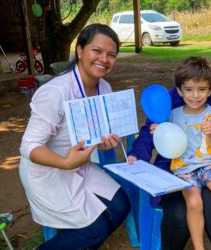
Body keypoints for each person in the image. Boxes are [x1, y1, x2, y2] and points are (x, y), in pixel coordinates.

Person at [128, 43, 211, 250]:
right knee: (178, 215)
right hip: (179, 169)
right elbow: (152, 127)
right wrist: (138, 155)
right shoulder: (187, 90)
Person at [19, 23, 130, 250]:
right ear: (80, 50)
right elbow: (28, 146)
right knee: (94, 230)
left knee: (121, 205)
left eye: (111, 55)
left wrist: (106, 145)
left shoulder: (105, 88)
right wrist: (64, 162)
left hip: (78, 165)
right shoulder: (56, 91)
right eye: (96, 51)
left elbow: (98, 141)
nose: (104, 59)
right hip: (48, 171)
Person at [150, 56, 211, 250]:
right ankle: (199, 247)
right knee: (193, 202)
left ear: (210, 90)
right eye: (189, 89)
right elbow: (166, 143)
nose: (195, 95)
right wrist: (158, 131)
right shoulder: (173, 115)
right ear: (179, 91)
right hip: (184, 169)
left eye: (201, 89)